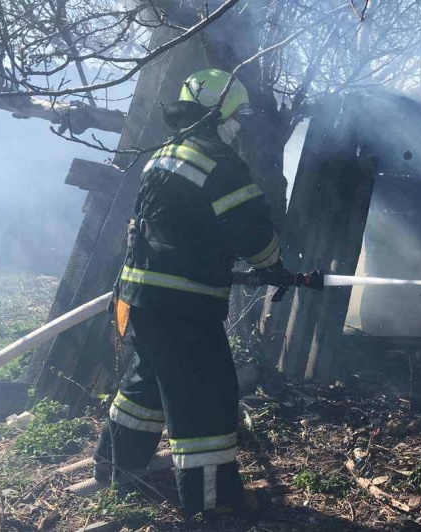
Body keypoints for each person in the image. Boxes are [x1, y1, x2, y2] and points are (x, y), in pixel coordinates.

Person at [93, 68, 288, 516]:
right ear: (221, 115)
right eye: (237, 115)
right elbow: (253, 231)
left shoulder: (165, 153)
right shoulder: (220, 163)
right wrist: (273, 267)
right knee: (205, 394)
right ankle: (215, 504)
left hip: (141, 295)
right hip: (183, 302)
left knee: (147, 382)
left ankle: (115, 468)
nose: (239, 124)